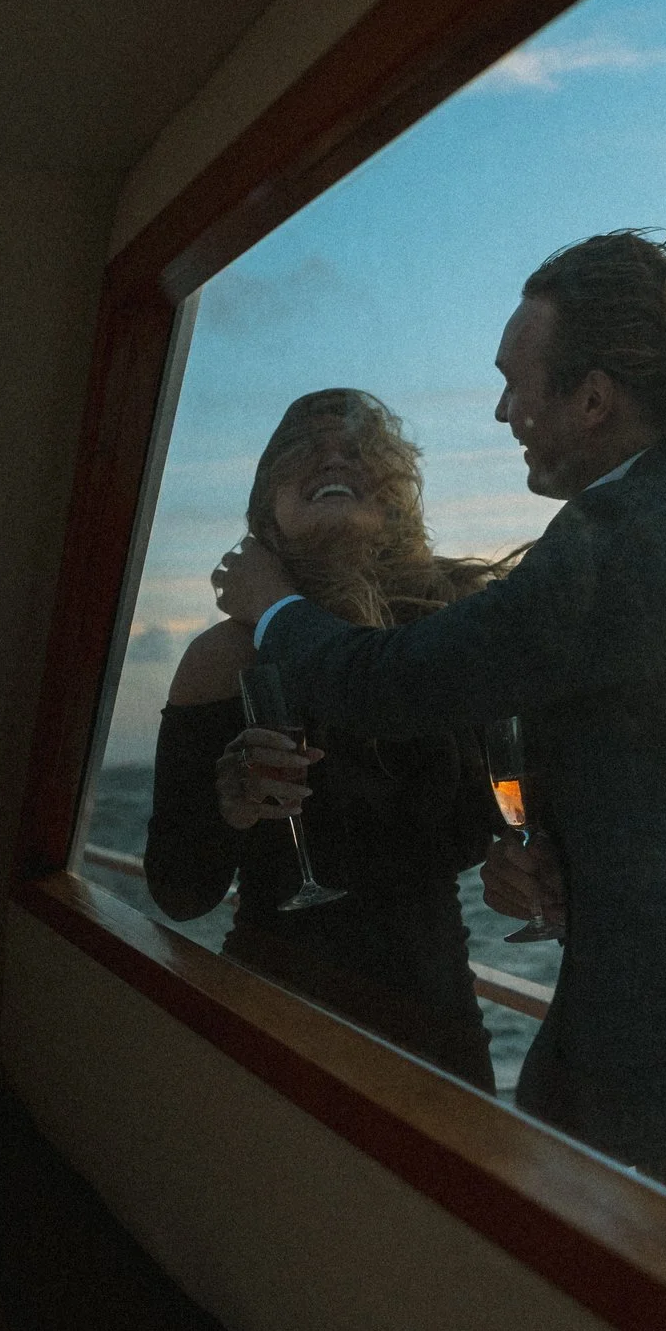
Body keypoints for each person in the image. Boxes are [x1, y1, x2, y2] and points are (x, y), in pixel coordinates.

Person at [212, 232, 666, 1300]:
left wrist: (273, 606)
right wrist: (561, 858)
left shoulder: (631, 529)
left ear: (594, 398)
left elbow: (400, 681)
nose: (504, 410)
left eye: (519, 382)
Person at [148, 388, 509, 1090]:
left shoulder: (444, 635)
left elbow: (490, 818)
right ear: (268, 512)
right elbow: (179, 892)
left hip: (437, 1035)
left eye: (358, 448)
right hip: (271, 1018)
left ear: (397, 498)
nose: (334, 454)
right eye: (304, 447)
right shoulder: (225, 659)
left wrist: (534, 855)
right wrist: (230, 806)